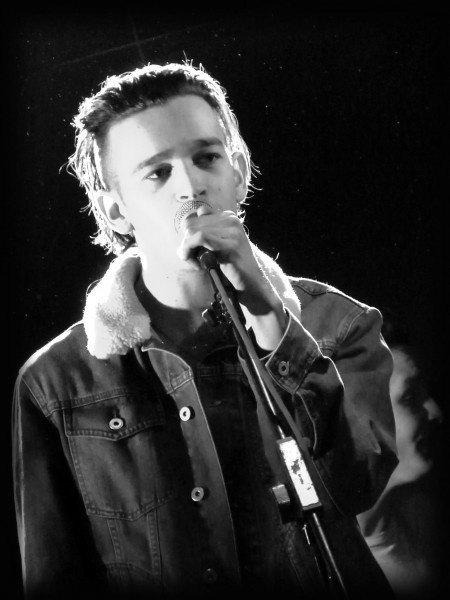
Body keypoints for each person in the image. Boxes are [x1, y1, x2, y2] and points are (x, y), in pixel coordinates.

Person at [12, 62, 398, 599]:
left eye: (206, 158)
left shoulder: (337, 322)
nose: (191, 186)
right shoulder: (57, 382)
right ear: (116, 211)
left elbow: (356, 486)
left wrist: (270, 316)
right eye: (157, 173)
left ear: (238, 172)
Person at [357, 315, 445, 599]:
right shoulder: (325, 563)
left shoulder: (425, 517)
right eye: (409, 398)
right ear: (362, 416)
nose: (435, 412)